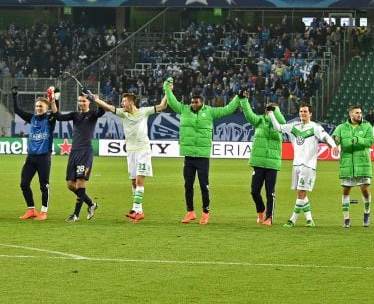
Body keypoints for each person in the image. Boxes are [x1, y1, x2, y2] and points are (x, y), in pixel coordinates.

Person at [164, 77, 240, 225]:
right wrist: (166, 87)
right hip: (188, 155)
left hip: (203, 156)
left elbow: (228, 109)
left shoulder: (210, 112)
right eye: (192, 102)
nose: (193, 104)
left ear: (202, 103)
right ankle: (190, 212)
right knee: (188, 185)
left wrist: (239, 97)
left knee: (204, 185)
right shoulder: (184, 109)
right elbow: (172, 102)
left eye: (196, 102)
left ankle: (205, 213)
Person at [90, 90, 167, 223]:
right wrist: (95, 99)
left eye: (124, 101)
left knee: (139, 180)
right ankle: (139, 211)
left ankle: (135, 209)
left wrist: (168, 91)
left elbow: (162, 106)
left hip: (143, 150)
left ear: (131, 102)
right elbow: (108, 107)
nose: (122, 103)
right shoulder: (123, 114)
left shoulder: (144, 111)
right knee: (133, 181)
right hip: (130, 151)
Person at [269, 103, 337, 228]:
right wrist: (271, 114)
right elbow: (278, 127)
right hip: (296, 164)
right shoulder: (293, 127)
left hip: (308, 165)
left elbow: (326, 136)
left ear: (310, 114)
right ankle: (310, 220)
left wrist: (333, 146)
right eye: (301, 111)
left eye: (305, 111)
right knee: (301, 193)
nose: (303, 113)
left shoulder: (315, 127)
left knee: (301, 192)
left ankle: (292, 220)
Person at [55, 90, 105, 222]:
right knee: (70, 185)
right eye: (80, 101)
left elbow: (102, 110)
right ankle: (91, 204)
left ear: (88, 102)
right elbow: (58, 116)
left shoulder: (93, 114)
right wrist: (54, 100)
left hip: (85, 152)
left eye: (84, 100)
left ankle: (76, 215)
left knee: (80, 182)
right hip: (74, 152)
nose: (81, 103)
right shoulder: (75, 115)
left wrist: (95, 98)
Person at [13, 86, 57, 220]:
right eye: (37, 106)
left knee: (44, 185)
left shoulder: (50, 120)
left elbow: (55, 113)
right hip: (31, 157)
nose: (38, 108)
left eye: (41, 106)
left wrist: (52, 98)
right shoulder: (32, 118)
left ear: (46, 108)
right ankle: (31, 209)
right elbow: (17, 110)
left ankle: (44, 212)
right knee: (24, 183)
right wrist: (14, 95)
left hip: (44, 157)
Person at [241, 93, 285, 226]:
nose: (269, 110)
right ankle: (261, 210)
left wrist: (274, 110)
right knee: (254, 191)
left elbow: (281, 121)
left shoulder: (280, 126)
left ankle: (269, 218)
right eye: (268, 109)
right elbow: (248, 114)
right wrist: (243, 100)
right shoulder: (259, 121)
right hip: (258, 162)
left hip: (272, 163)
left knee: (269, 193)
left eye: (272, 109)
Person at [332, 105, 374, 228]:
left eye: (360, 113)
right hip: (347, 164)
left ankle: (367, 212)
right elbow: (335, 139)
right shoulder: (341, 127)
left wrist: (357, 139)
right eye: (357, 113)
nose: (359, 115)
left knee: (364, 189)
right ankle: (346, 219)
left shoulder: (366, 126)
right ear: (350, 114)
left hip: (362, 163)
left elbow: (370, 141)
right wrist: (336, 141)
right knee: (345, 190)